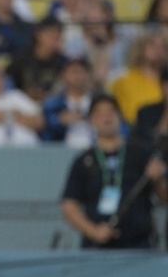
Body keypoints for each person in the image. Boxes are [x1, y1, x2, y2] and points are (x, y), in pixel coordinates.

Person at [61, 94, 168, 249]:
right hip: (97, 248)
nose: (106, 117)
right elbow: (69, 206)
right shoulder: (84, 161)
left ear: (120, 116)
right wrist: (93, 231)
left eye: (111, 112)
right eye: (99, 113)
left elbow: (164, 197)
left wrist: (157, 180)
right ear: (91, 120)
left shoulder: (141, 153)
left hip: (140, 246)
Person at [110, 30, 167, 126]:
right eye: (152, 45)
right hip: (135, 131)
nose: (158, 50)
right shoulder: (123, 81)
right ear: (141, 48)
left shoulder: (165, 82)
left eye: (163, 47)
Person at [41, 56, 95, 147]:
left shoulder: (98, 103)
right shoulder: (53, 104)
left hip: (93, 149)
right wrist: (59, 120)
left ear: (88, 74)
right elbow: (43, 126)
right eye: (73, 71)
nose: (77, 76)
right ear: (63, 75)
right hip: (61, 151)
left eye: (81, 71)